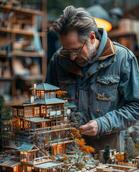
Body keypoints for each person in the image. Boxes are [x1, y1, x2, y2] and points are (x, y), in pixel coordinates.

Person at [46, 6, 139, 150]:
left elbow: (136, 106)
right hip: (67, 150)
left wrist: (103, 123)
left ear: (91, 37)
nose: (71, 57)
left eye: (76, 50)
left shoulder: (123, 59)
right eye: (67, 50)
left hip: (107, 152)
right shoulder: (58, 60)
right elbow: (47, 102)